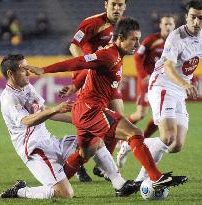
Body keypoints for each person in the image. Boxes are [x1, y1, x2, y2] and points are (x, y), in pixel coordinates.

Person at [26, 17, 188, 195]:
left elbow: (90, 71)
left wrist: (76, 86)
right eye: (133, 39)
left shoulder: (117, 56)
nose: (137, 43)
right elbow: (79, 62)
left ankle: (53, 187)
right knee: (134, 133)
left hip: (85, 110)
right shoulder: (108, 55)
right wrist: (44, 70)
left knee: (83, 155)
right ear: (120, 38)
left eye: (139, 39)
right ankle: (156, 178)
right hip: (90, 110)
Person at [0, 54, 137, 198]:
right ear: (10, 73)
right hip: (34, 150)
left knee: (95, 142)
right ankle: (20, 191)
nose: (28, 72)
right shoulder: (9, 97)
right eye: (23, 69)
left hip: (49, 141)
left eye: (28, 68)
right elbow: (26, 121)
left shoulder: (27, 87)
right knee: (65, 193)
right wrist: (56, 108)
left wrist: (77, 119)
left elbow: (44, 111)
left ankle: (119, 184)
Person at [130, 0, 202, 183]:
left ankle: (133, 143)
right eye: (193, 17)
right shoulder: (176, 37)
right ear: (186, 17)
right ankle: (143, 179)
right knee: (167, 136)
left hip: (180, 89)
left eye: (201, 18)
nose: (196, 22)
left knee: (176, 145)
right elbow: (168, 66)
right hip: (163, 85)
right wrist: (185, 84)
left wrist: (184, 85)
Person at [61, 0, 128, 182]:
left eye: (120, 5)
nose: (117, 8)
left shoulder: (123, 25)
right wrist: (87, 65)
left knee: (118, 119)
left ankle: (102, 167)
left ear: (125, 6)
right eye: (113, 4)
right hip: (89, 78)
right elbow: (73, 45)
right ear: (105, 4)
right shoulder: (92, 23)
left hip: (108, 79)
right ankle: (79, 162)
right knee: (89, 123)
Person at [117, 15, 176, 168]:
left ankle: (140, 141)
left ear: (174, 25)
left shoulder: (176, 41)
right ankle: (121, 135)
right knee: (141, 114)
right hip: (149, 82)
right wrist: (143, 75)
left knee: (160, 118)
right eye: (165, 24)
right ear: (161, 25)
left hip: (167, 84)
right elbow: (137, 57)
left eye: (170, 24)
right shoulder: (151, 40)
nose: (168, 27)